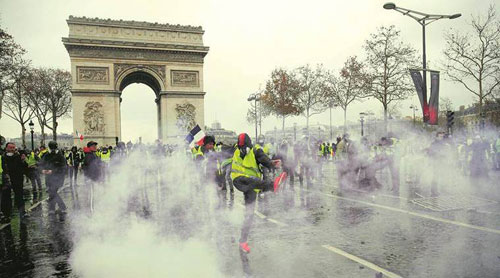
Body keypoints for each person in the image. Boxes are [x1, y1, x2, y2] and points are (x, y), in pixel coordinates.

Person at [231, 133, 281, 253]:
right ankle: (272, 186)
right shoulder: (237, 151)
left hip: (251, 187)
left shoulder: (256, 149)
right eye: (240, 147)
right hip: (239, 179)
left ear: (249, 144)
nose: (243, 150)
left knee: (249, 214)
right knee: (253, 181)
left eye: (245, 147)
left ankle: (243, 241)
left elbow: (263, 159)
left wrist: (271, 164)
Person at [2, 142, 28, 221]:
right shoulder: (3, 157)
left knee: (19, 196)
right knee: (6, 198)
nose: (12, 149)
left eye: (13, 148)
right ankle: (7, 215)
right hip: (7, 179)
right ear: (6, 148)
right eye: (10, 148)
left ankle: (22, 213)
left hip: (18, 179)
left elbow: (25, 166)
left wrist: (23, 160)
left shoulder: (18, 156)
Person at [40, 141, 68, 215]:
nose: (52, 150)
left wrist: (52, 171)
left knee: (52, 192)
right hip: (49, 178)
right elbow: (41, 164)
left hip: (58, 178)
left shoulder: (60, 156)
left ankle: (61, 207)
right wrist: (42, 170)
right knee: (51, 193)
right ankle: (53, 209)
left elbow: (64, 167)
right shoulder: (46, 155)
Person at [82, 141, 102, 212]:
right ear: (89, 147)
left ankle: (94, 208)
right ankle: (91, 211)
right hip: (91, 179)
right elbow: (89, 168)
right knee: (91, 195)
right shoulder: (89, 156)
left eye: (95, 145)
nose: (95, 147)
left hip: (95, 178)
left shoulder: (94, 154)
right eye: (93, 146)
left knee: (94, 194)